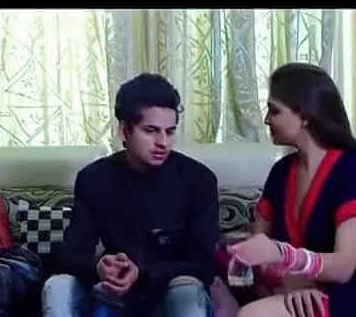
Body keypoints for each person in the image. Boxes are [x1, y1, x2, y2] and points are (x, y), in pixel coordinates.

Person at [42, 73, 219, 317]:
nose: (163, 142)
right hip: (111, 294)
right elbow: (71, 254)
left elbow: (205, 264)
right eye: (151, 131)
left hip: (169, 292)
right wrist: (100, 266)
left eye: (169, 132)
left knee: (187, 290)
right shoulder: (94, 178)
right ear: (125, 131)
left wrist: (141, 273)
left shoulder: (199, 179)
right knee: (58, 285)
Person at [228, 62, 356, 317]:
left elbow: (344, 267)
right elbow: (257, 250)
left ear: (305, 115)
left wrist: (287, 258)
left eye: (274, 111)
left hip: (343, 294)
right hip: (292, 292)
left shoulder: (350, 169)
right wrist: (289, 279)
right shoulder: (280, 172)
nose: (267, 119)